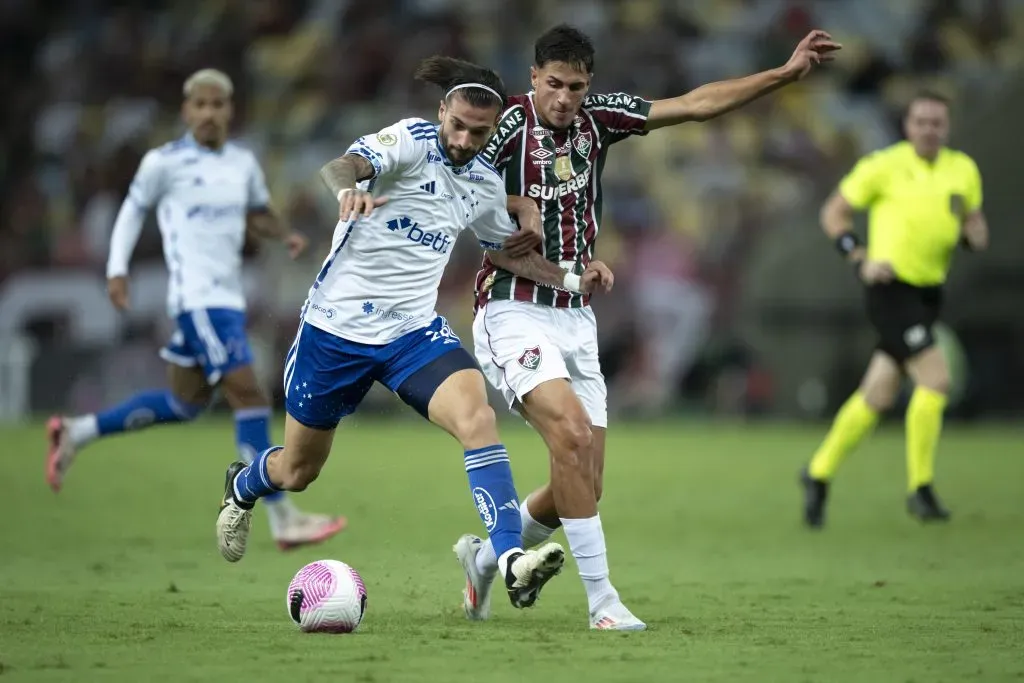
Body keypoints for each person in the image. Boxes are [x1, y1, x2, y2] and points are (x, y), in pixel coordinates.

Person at [457, 24, 840, 631]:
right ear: (533, 78)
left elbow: (695, 104)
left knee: (584, 482)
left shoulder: (599, 119)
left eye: (576, 87)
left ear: (589, 85)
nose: (564, 98)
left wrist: (783, 74)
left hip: (576, 316)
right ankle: (603, 603)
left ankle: (484, 561)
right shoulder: (504, 126)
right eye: (553, 84)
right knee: (572, 439)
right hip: (512, 307)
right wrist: (514, 206)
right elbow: (454, 185)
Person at [215, 56, 613, 610]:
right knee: (298, 471)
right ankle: (244, 485)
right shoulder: (409, 141)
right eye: (458, 125)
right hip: (335, 330)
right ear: (442, 111)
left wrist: (572, 276)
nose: (465, 140)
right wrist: (348, 192)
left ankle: (508, 558)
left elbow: (507, 254)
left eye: (479, 133)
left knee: (478, 419)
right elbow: (342, 166)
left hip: (412, 333)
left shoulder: (482, 183)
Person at [45, 69, 346, 551]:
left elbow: (257, 212)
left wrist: (283, 233)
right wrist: (117, 270)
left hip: (226, 299)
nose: (208, 113)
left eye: (217, 105)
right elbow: (132, 211)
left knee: (185, 403)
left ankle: (75, 432)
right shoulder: (163, 163)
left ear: (229, 111)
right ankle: (282, 518)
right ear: (186, 111)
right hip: (197, 301)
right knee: (249, 395)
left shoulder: (241, 163)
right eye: (199, 105)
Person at [800, 91, 988, 528]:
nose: (928, 130)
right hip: (890, 289)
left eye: (936, 122)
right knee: (937, 379)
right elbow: (834, 213)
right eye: (921, 121)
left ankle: (818, 473)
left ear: (947, 127)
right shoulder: (882, 166)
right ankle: (921, 489)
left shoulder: (963, 170)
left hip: (929, 292)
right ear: (907, 126)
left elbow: (972, 222)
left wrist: (974, 233)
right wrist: (859, 258)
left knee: (878, 394)